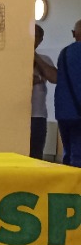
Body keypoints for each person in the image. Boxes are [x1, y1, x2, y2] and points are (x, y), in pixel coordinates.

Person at [55, 19, 81, 167]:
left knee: (69, 151)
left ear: (73, 33)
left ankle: (68, 178)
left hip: (64, 111)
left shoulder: (64, 53)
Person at [32, 24, 56, 159]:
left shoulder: (45, 59)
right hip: (16, 114)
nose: (31, 38)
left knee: (36, 154)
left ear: (40, 40)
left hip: (37, 116)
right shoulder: (15, 59)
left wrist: (34, 56)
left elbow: (54, 78)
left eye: (35, 36)